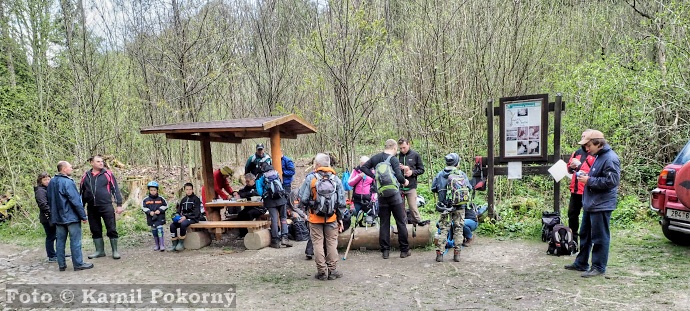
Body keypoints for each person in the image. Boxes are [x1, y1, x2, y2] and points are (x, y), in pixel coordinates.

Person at [565, 130, 620, 278]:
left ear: (598, 143)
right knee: (585, 234)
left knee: (600, 237)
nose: (586, 149)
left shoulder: (610, 158)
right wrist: (587, 177)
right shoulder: (598, 157)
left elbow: (612, 182)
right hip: (591, 203)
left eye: (588, 145)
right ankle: (581, 263)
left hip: (601, 204)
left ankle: (598, 266)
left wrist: (589, 181)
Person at [296, 153, 346, 280]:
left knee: (317, 244)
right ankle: (333, 271)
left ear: (317, 165)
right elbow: (341, 202)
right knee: (331, 243)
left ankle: (322, 272)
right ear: (328, 164)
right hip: (332, 218)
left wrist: (306, 210)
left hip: (314, 218)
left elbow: (303, 198)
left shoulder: (311, 178)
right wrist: (340, 218)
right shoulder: (336, 179)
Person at [360, 139, 410, 259]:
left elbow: (364, 168)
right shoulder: (393, 159)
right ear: (393, 148)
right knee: (401, 222)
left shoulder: (376, 158)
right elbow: (398, 176)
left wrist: (375, 177)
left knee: (384, 223)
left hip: (382, 196)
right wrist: (405, 181)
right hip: (394, 196)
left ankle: (385, 251)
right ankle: (404, 250)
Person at [47, 161, 93, 271]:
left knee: (60, 241)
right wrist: (83, 216)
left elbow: (49, 199)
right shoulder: (68, 182)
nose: (72, 169)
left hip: (58, 218)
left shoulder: (52, 182)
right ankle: (78, 264)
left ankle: (61, 265)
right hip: (71, 217)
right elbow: (75, 200)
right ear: (64, 169)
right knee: (75, 241)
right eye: (70, 167)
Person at [80, 155, 124, 260]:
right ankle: (100, 251)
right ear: (92, 162)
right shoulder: (85, 176)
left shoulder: (107, 174)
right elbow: (81, 193)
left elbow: (115, 189)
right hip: (91, 207)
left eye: (102, 161)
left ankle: (115, 251)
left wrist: (119, 204)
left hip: (106, 206)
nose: (101, 163)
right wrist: (81, 209)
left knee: (111, 228)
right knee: (95, 229)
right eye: (98, 161)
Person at [431, 153, 471, 262]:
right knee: (459, 229)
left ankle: (440, 254)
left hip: (445, 207)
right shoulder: (461, 174)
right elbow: (469, 188)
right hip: (459, 206)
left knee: (444, 230)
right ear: (457, 163)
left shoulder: (440, 175)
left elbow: (433, 188)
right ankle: (457, 254)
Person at [566, 130, 596, 244]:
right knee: (572, 215)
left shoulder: (595, 153)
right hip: (575, 190)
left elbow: (594, 171)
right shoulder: (576, 153)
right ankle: (573, 240)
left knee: (588, 217)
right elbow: (569, 169)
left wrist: (580, 166)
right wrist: (572, 166)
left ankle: (589, 240)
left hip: (589, 189)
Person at [35, 173, 70, 262]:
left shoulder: (49, 189)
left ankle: (59, 253)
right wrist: (52, 213)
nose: (47, 181)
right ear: (40, 181)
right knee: (51, 236)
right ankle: (51, 255)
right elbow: (43, 205)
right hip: (47, 218)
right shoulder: (40, 191)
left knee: (58, 235)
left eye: (48, 179)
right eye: (45, 180)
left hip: (53, 216)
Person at [257, 163, 292, 248]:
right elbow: (281, 184)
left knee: (274, 219)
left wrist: (265, 195)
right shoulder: (276, 174)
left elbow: (259, 191)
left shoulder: (260, 178)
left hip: (270, 200)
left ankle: (275, 241)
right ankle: (285, 238)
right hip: (281, 198)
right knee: (283, 218)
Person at [397, 138, 426, 225]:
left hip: (411, 186)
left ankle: (418, 224)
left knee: (413, 207)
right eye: (400, 148)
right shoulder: (398, 156)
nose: (402, 150)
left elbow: (421, 170)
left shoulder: (415, 155)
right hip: (400, 187)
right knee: (400, 209)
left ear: (408, 144)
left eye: (404, 147)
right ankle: (403, 225)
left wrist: (412, 172)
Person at [170, 183, 202, 252]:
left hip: (193, 218)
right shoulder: (183, 200)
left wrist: (186, 217)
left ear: (192, 190)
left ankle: (181, 243)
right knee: (172, 225)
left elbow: (196, 213)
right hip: (183, 218)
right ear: (184, 190)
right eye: (187, 189)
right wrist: (177, 216)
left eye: (190, 189)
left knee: (183, 224)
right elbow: (179, 210)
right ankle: (174, 243)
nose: (189, 191)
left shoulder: (196, 199)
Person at [235, 173, 265, 238]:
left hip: (259, 208)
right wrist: (249, 194)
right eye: (246, 181)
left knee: (249, 214)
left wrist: (248, 194)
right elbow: (241, 192)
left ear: (253, 180)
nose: (247, 183)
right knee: (240, 215)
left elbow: (257, 194)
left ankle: (250, 233)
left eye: (248, 181)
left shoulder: (258, 186)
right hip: (249, 207)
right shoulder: (247, 187)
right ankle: (243, 234)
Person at [142, 181, 169, 251]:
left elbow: (166, 205)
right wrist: (149, 212)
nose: (153, 192)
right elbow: (143, 207)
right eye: (151, 190)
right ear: (149, 190)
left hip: (159, 217)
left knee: (160, 229)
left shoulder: (161, 199)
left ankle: (162, 244)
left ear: (157, 190)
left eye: (154, 190)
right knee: (154, 231)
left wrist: (159, 210)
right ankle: (157, 244)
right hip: (151, 218)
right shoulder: (146, 199)